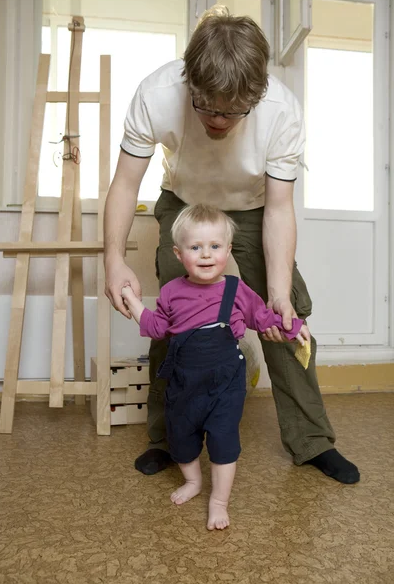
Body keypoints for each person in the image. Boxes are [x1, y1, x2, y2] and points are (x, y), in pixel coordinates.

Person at [104, 5, 360, 485]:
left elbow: (280, 208)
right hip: (183, 205)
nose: (218, 120)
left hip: (255, 207)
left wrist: (278, 293)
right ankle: (165, 438)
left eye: (233, 111)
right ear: (189, 82)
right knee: (175, 316)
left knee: (287, 315)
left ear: (257, 94)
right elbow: (124, 184)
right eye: (206, 106)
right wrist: (113, 259)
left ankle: (311, 442)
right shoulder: (156, 93)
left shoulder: (281, 111)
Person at [121, 204, 307, 530]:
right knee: (180, 436)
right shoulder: (171, 292)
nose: (206, 255)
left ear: (228, 250)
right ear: (179, 254)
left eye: (215, 247)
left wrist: (294, 327)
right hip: (183, 380)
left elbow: (265, 319)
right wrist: (133, 301)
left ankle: (219, 500)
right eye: (196, 247)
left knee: (223, 438)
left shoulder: (236, 290)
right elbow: (155, 328)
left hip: (225, 382)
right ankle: (193, 482)